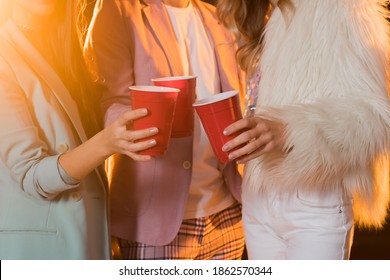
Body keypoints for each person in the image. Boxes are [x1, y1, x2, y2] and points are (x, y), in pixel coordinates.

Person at [217, 0, 390, 259]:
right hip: (257, 195)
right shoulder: (257, 13)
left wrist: (288, 129)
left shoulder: (341, 7)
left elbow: (374, 117)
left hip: (313, 200)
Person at [84, 0, 246, 259]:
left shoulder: (220, 17)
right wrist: (130, 126)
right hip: (157, 217)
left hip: (228, 211)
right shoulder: (119, 9)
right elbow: (111, 99)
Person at [0, 0, 158, 259]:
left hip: (85, 237)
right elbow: (32, 175)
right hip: (39, 250)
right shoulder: (4, 54)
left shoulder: (65, 48)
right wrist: (107, 144)